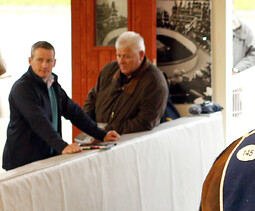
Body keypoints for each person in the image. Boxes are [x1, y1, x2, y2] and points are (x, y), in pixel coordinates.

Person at [3, 41, 119, 171]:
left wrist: (101, 135)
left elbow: (74, 112)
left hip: (46, 158)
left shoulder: (52, 84)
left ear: (54, 62)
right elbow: (38, 120)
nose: (44, 65)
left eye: (49, 60)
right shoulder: (22, 89)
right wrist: (62, 146)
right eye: (40, 60)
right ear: (30, 61)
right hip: (22, 162)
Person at [83, 31, 168, 134]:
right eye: (118, 55)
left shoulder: (155, 82)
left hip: (129, 144)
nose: (121, 61)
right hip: (97, 137)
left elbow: (145, 122)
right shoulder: (109, 70)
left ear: (141, 55)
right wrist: (87, 123)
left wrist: (108, 130)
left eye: (127, 56)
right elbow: (93, 97)